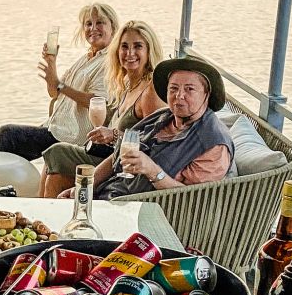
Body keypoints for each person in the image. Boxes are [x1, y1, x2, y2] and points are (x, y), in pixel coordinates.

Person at [72, 57, 234, 201]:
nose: (179, 95)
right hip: (110, 194)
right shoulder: (162, 117)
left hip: (145, 211)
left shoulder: (214, 144)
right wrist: (85, 187)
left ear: (206, 94)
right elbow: (118, 156)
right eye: (173, 88)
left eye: (189, 89)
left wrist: (153, 171)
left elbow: (191, 198)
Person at [39, 20, 166, 197]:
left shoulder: (150, 91)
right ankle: (43, 209)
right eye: (124, 47)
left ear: (149, 51)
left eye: (138, 46)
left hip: (124, 169)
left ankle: (43, 208)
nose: (130, 53)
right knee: (55, 173)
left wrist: (113, 135)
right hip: (110, 155)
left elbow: (154, 142)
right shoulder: (127, 83)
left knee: (56, 152)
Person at [0, 3, 116, 162]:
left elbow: (97, 101)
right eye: (88, 24)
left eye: (100, 23)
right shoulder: (86, 59)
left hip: (70, 136)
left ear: (112, 27)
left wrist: (60, 85)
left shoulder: (109, 62)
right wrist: (52, 63)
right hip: (54, 127)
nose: (93, 28)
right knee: (9, 150)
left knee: (6, 135)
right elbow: (54, 93)